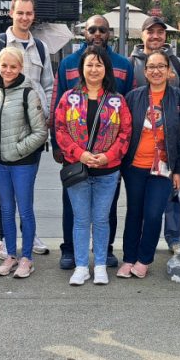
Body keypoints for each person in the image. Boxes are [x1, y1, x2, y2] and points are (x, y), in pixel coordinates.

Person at [0, 0, 52, 259]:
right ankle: (5, 239)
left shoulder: (40, 47)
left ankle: (29, 235)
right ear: (11, 12)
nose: (25, 18)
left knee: (25, 191)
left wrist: (46, 114)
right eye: (20, 12)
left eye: (29, 13)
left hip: (31, 129)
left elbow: (48, 86)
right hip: (4, 131)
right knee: (5, 196)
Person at [54, 15, 133, 270]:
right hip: (76, 157)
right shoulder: (67, 63)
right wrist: (64, 149)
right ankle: (71, 252)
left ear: (109, 33)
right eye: (92, 29)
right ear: (84, 32)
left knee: (104, 211)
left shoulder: (124, 64)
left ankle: (104, 252)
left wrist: (112, 155)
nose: (97, 33)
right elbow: (60, 111)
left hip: (108, 161)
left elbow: (126, 110)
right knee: (74, 208)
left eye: (102, 29)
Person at [118, 50, 180, 279]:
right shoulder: (133, 97)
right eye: (151, 67)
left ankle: (144, 259)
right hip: (134, 167)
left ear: (169, 72)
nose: (156, 71)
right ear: (145, 72)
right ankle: (128, 257)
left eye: (160, 67)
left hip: (163, 169)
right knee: (134, 213)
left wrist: (179, 170)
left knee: (154, 213)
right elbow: (123, 132)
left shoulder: (179, 98)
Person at [0, 45, 48, 278]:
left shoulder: (28, 93)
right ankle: (10, 254)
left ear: (21, 67)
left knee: (24, 209)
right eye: (4, 65)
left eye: (13, 66)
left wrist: (18, 149)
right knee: (6, 209)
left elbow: (40, 132)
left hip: (23, 162)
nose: (8, 70)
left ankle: (27, 258)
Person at [128, 15, 180, 90]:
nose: (156, 36)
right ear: (142, 36)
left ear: (165, 35)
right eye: (150, 32)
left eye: (160, 32)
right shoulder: (130, 64)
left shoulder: (178, 63)